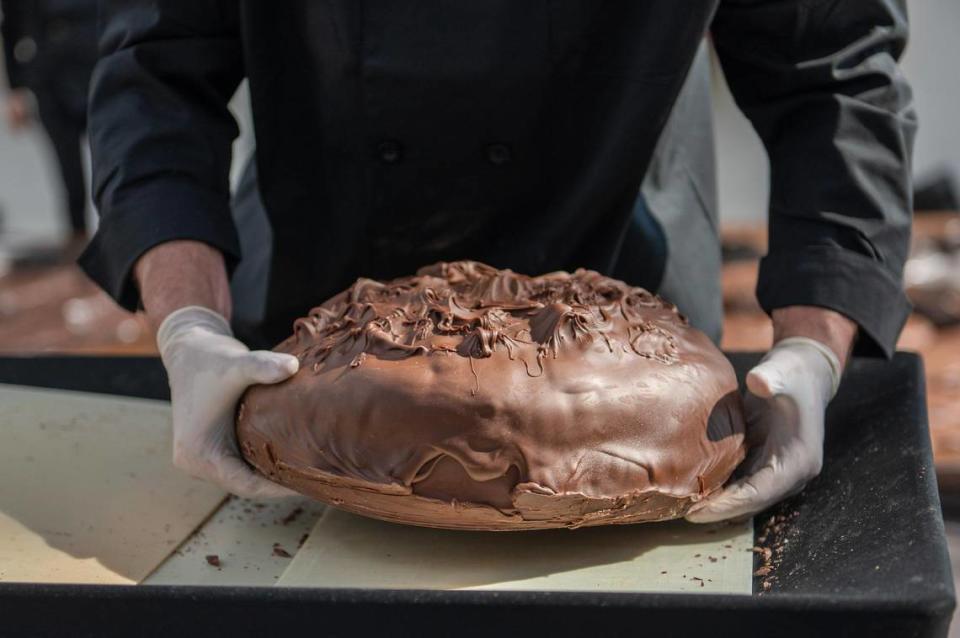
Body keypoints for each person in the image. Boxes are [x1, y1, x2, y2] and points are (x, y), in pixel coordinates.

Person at [80, 2, 915, 522]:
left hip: (635, 339)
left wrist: (813, 346)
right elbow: (153, 67)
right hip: (315, 327)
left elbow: (831, 74)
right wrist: (189, 324)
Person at [1, 0, 98, 254]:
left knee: (113, 157)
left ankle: (121, 236)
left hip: (96, 69)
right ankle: (79, 241)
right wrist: (16, 89)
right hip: (48, 77)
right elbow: (11, 26)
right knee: (67, 165)